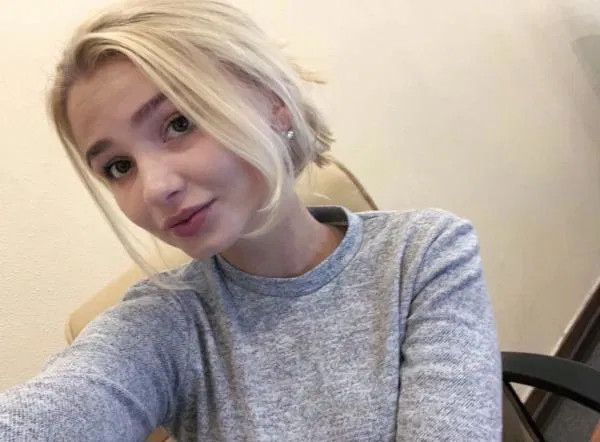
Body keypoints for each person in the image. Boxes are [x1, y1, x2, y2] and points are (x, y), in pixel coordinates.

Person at [0, 0, 502, 440]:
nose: (154, 188)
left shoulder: (424, 253)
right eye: (118, 167)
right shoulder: (164, 324)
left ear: (274, 104)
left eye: (179, 123)